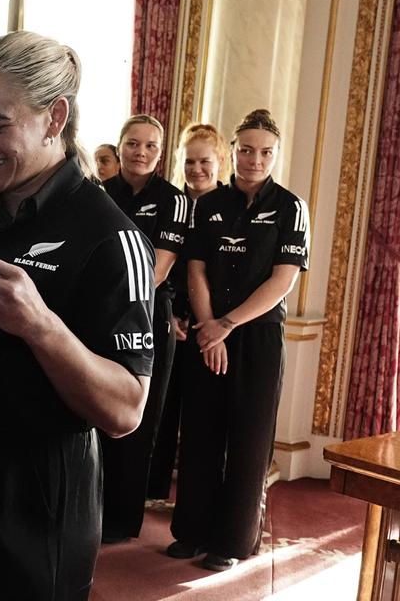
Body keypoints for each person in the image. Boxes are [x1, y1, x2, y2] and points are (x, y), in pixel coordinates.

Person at [0, 31, 153, 600]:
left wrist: (40, 326)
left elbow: (126, 408)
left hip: (40, 502)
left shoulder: (111, 237)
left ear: (54, 117)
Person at [168, 109, 309, 572]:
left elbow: (283, 280)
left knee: (248, 440)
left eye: (265, 152)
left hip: (256, 336)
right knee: (201, 434)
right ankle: (191, 532)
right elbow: (195, 270)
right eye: (245, 150)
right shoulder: (207, 206)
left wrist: (226, 324)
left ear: (276, 154)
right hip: (210, 332)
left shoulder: (291, 207)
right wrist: (209, 328)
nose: (254, 159)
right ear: (232, 151)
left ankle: (232, 541)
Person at [98, 114, 189, 544]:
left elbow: (159, 268)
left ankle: (121, 521)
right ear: (119, 147)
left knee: (138, 420)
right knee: (97, 411)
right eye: (133, 143)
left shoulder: (174, 200)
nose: (141, 152)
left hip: (149, 315)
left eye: (150, 146)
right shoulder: (100, 193)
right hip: (99, 313)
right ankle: (91, 510)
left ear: (160, 152)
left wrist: (109, 293)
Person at [147, 123, 230, 499]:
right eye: (190, 161)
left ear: (221, 163)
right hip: (170, 320)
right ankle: (155, 490)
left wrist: (206, 323)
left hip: (216, 326)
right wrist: (173, 318)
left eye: (205, 161)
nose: (197, 169)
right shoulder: (173, 203)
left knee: (206, 421)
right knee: (162, 413)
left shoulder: (229, 207)